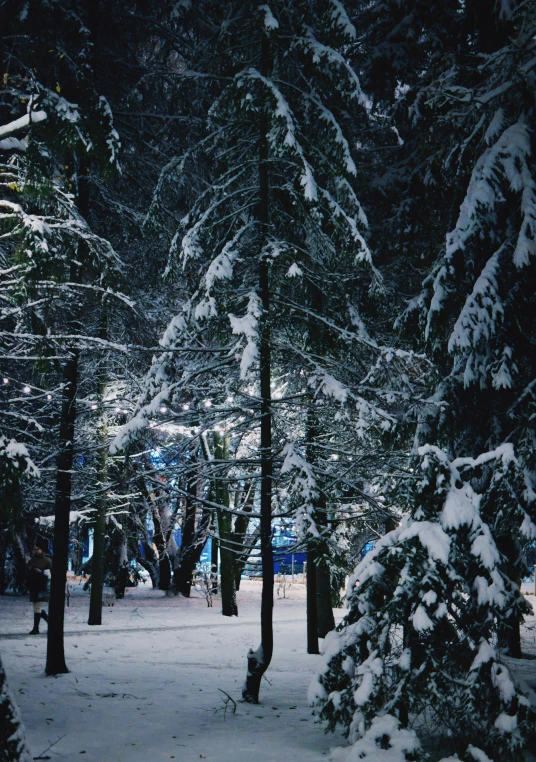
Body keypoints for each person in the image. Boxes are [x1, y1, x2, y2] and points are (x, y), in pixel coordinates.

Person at [28, 539, 52, 635]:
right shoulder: (32, 560)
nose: (35, 551)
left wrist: (41, 572)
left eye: (37, 549)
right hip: (33, 585)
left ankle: (36, 628)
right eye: (34, 549)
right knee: (36, 606)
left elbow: (50, 574)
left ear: (42, 549)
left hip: (42, 586)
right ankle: (48, 622)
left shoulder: (47, 560)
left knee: (37, 606)